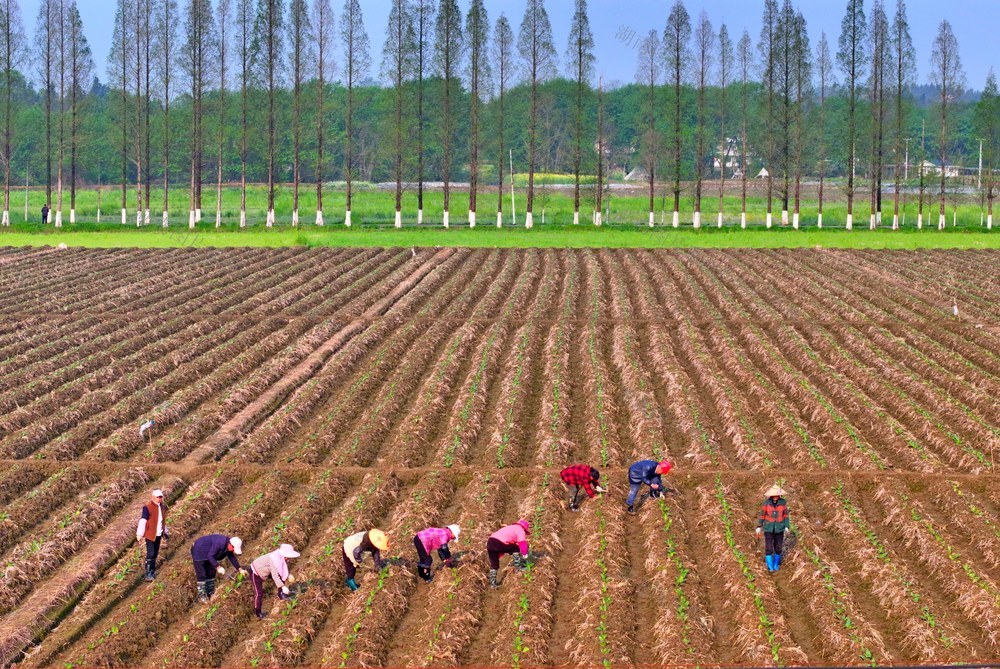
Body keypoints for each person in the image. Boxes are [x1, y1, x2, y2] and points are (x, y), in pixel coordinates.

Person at [191, 534, 246, 603]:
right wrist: (218, 567)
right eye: (233, 549)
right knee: (202, 574)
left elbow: (232, 557)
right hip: (199, 551)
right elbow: (210, 556)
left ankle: (210, 592)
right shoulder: (220, 543)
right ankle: (202, 596)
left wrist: (240, 569)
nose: (233, 550)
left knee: (211, 572)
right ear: (230, 545)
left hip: (208, 553)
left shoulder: (228, 546)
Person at [250, 543, 299, 620]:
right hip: (256, 572)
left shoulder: (280, 557)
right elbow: (275, 576)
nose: (289, 559)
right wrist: (283, 586)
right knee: (259, 593)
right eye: (288, 557)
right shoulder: (275, 560)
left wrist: (288, 575)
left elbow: (282, 569)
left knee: (281, 576)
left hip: (265, 570)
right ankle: (258, 613)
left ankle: (281, 595)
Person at [135, 488, 169, 582]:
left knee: (155, 553)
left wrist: (165, 531)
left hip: (158, 534)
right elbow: (143, 521)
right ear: (153, 497)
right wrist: (140, 533)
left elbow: (162, 521)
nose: (159, 499)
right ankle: (149, 574)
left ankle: (152, 572)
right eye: (158, 497)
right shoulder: (147, 507)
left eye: (160, 497)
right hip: (150, 534)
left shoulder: (162, 507)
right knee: (151, 553)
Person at [486, 519, 530, 589]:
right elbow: (522, 543)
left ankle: (493, 584)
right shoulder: (520, 530)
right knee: (516, 548)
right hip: (498, 543)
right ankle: (518, 568)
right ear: (524, 528)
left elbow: (507, 543)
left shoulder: (510, 528)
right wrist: (525, 554)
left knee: (494, 563)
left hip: (490, 542)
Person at [756, 484, 790, 572]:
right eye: (773, 495)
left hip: (779, 528)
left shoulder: (783, 502)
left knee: (778, 547)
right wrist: (759, 526)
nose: (775, 497)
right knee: (769, 548)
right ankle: (770, 566)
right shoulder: (766, 503)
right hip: (768, 528)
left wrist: (786, 526)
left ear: (779, 495)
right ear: (771, 496)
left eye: (777, 495)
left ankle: (776, 564)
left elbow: (786, 515)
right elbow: (762, 515)